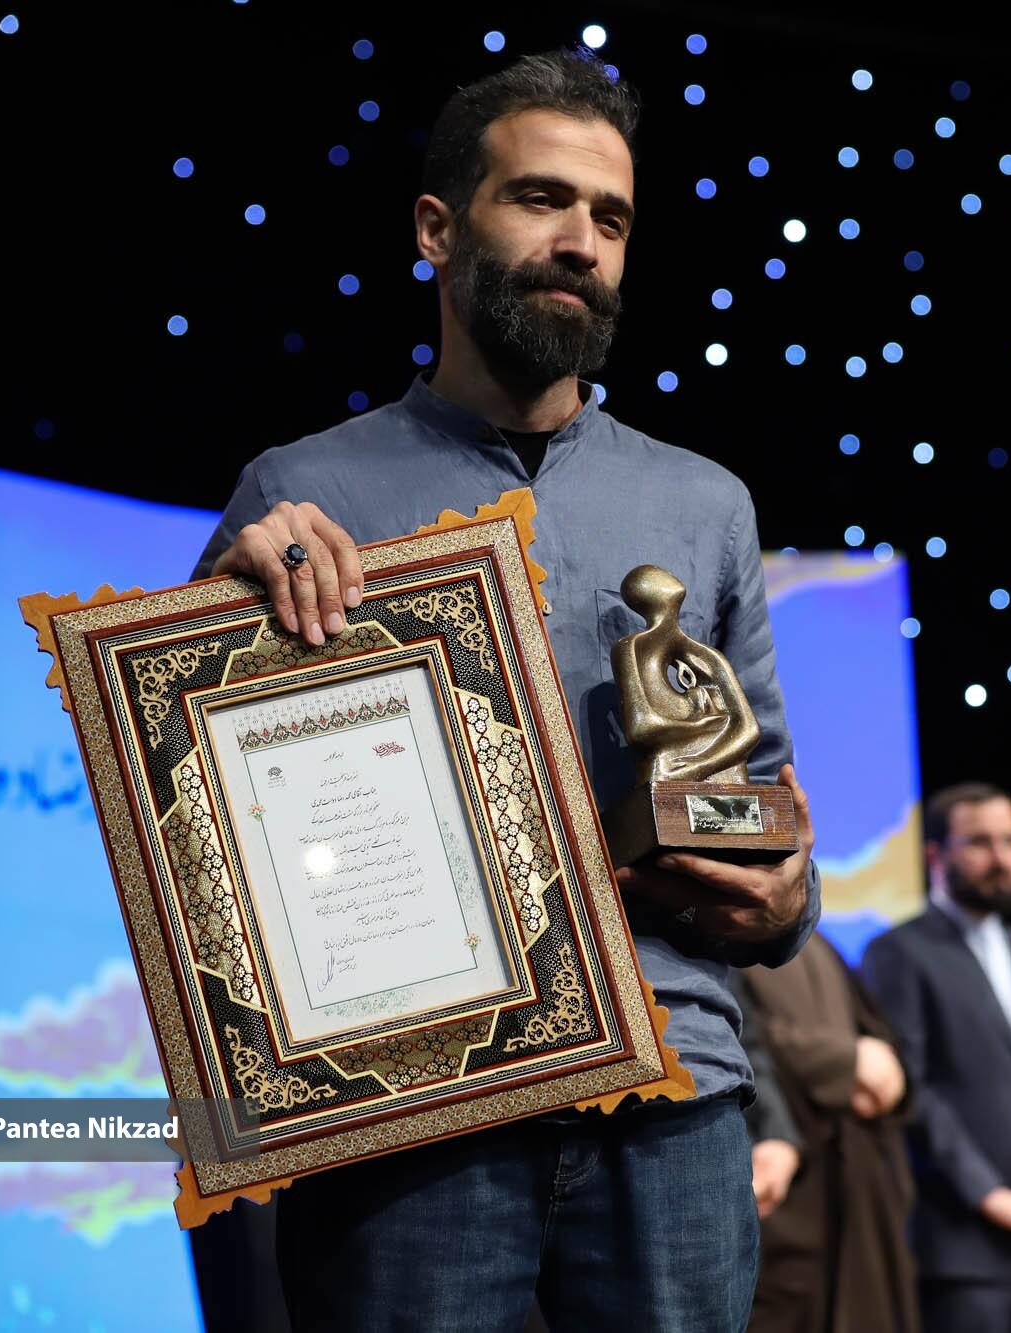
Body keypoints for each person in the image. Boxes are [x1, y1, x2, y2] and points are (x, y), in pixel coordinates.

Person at [188, 51, 820, 1332]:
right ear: (436, 230)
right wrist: (217, 605)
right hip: (410, 1114)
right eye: (540, 199)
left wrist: (785, 896)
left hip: (672, 1093)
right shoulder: (301, 491)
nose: (580, 241)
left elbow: (759, 806)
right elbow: (200, 813)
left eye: (610, 218)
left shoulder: (704, 505)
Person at [861, 783, 1011, 1333]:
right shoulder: (898, 953)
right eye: (979, 842)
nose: (1002, 858)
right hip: (964, 1247)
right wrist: (992, 1195)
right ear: (935, 854)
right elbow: (913, 1092)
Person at [732, 934, 919, 1333]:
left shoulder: (815, 939)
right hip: (786, 1185)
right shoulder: (716, 939)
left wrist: (887, 1075)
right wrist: (846, 1063)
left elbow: (877, 1039)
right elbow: (743, 1040)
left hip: (853, 1175)